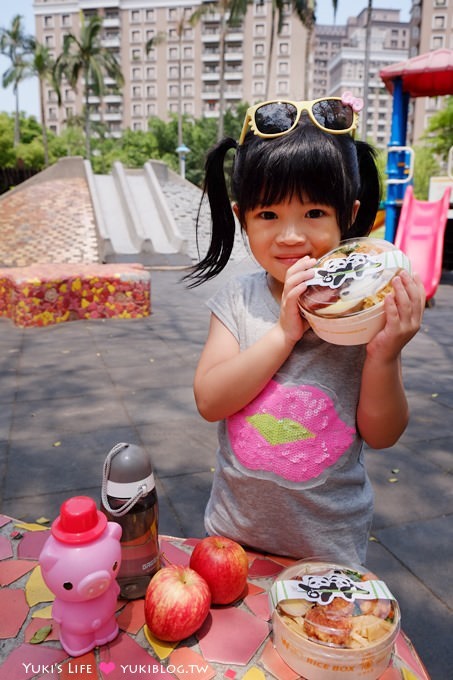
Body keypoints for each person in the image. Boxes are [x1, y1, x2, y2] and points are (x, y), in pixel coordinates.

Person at [185, 95, 425, 565]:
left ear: (349, 216)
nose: (291, 236)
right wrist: (283, 333)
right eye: (268, 215)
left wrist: (385, 354)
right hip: (234, 539)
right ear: (243, 219)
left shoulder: (363, 313)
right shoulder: (238, 300)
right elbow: (210, 400)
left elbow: (382, 434)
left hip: (328, 551)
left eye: (314, 214)